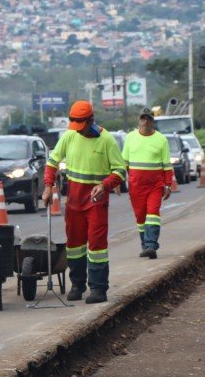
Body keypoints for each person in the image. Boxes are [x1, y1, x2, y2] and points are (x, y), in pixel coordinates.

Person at [42, 100, 126, 304]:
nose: (78, 131)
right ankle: (77, 284)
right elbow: (52, 162)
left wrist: (105, 185)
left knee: (96, 246)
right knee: (74, 245)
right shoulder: (70, 135)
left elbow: (120, 171)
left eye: (82, 126)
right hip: (74, 201)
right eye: (75, 126)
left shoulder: (106, 140)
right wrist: (47, 186)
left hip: (96, 200)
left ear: (91, 121)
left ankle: (98, 288)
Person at [122, 107, 173, 259]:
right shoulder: (130, 137)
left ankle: (151, 244)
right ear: (139, 121)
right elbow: (123, 163)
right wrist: (117, 182)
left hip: (155, 186)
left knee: (153, 213)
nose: (145, 121)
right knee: (140, 217)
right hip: (135, 186)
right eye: (143, 118)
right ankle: (145, 245)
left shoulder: (161, 139)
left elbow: (167, 165)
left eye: (149, 118)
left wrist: (168, 185)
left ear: (153, 121)